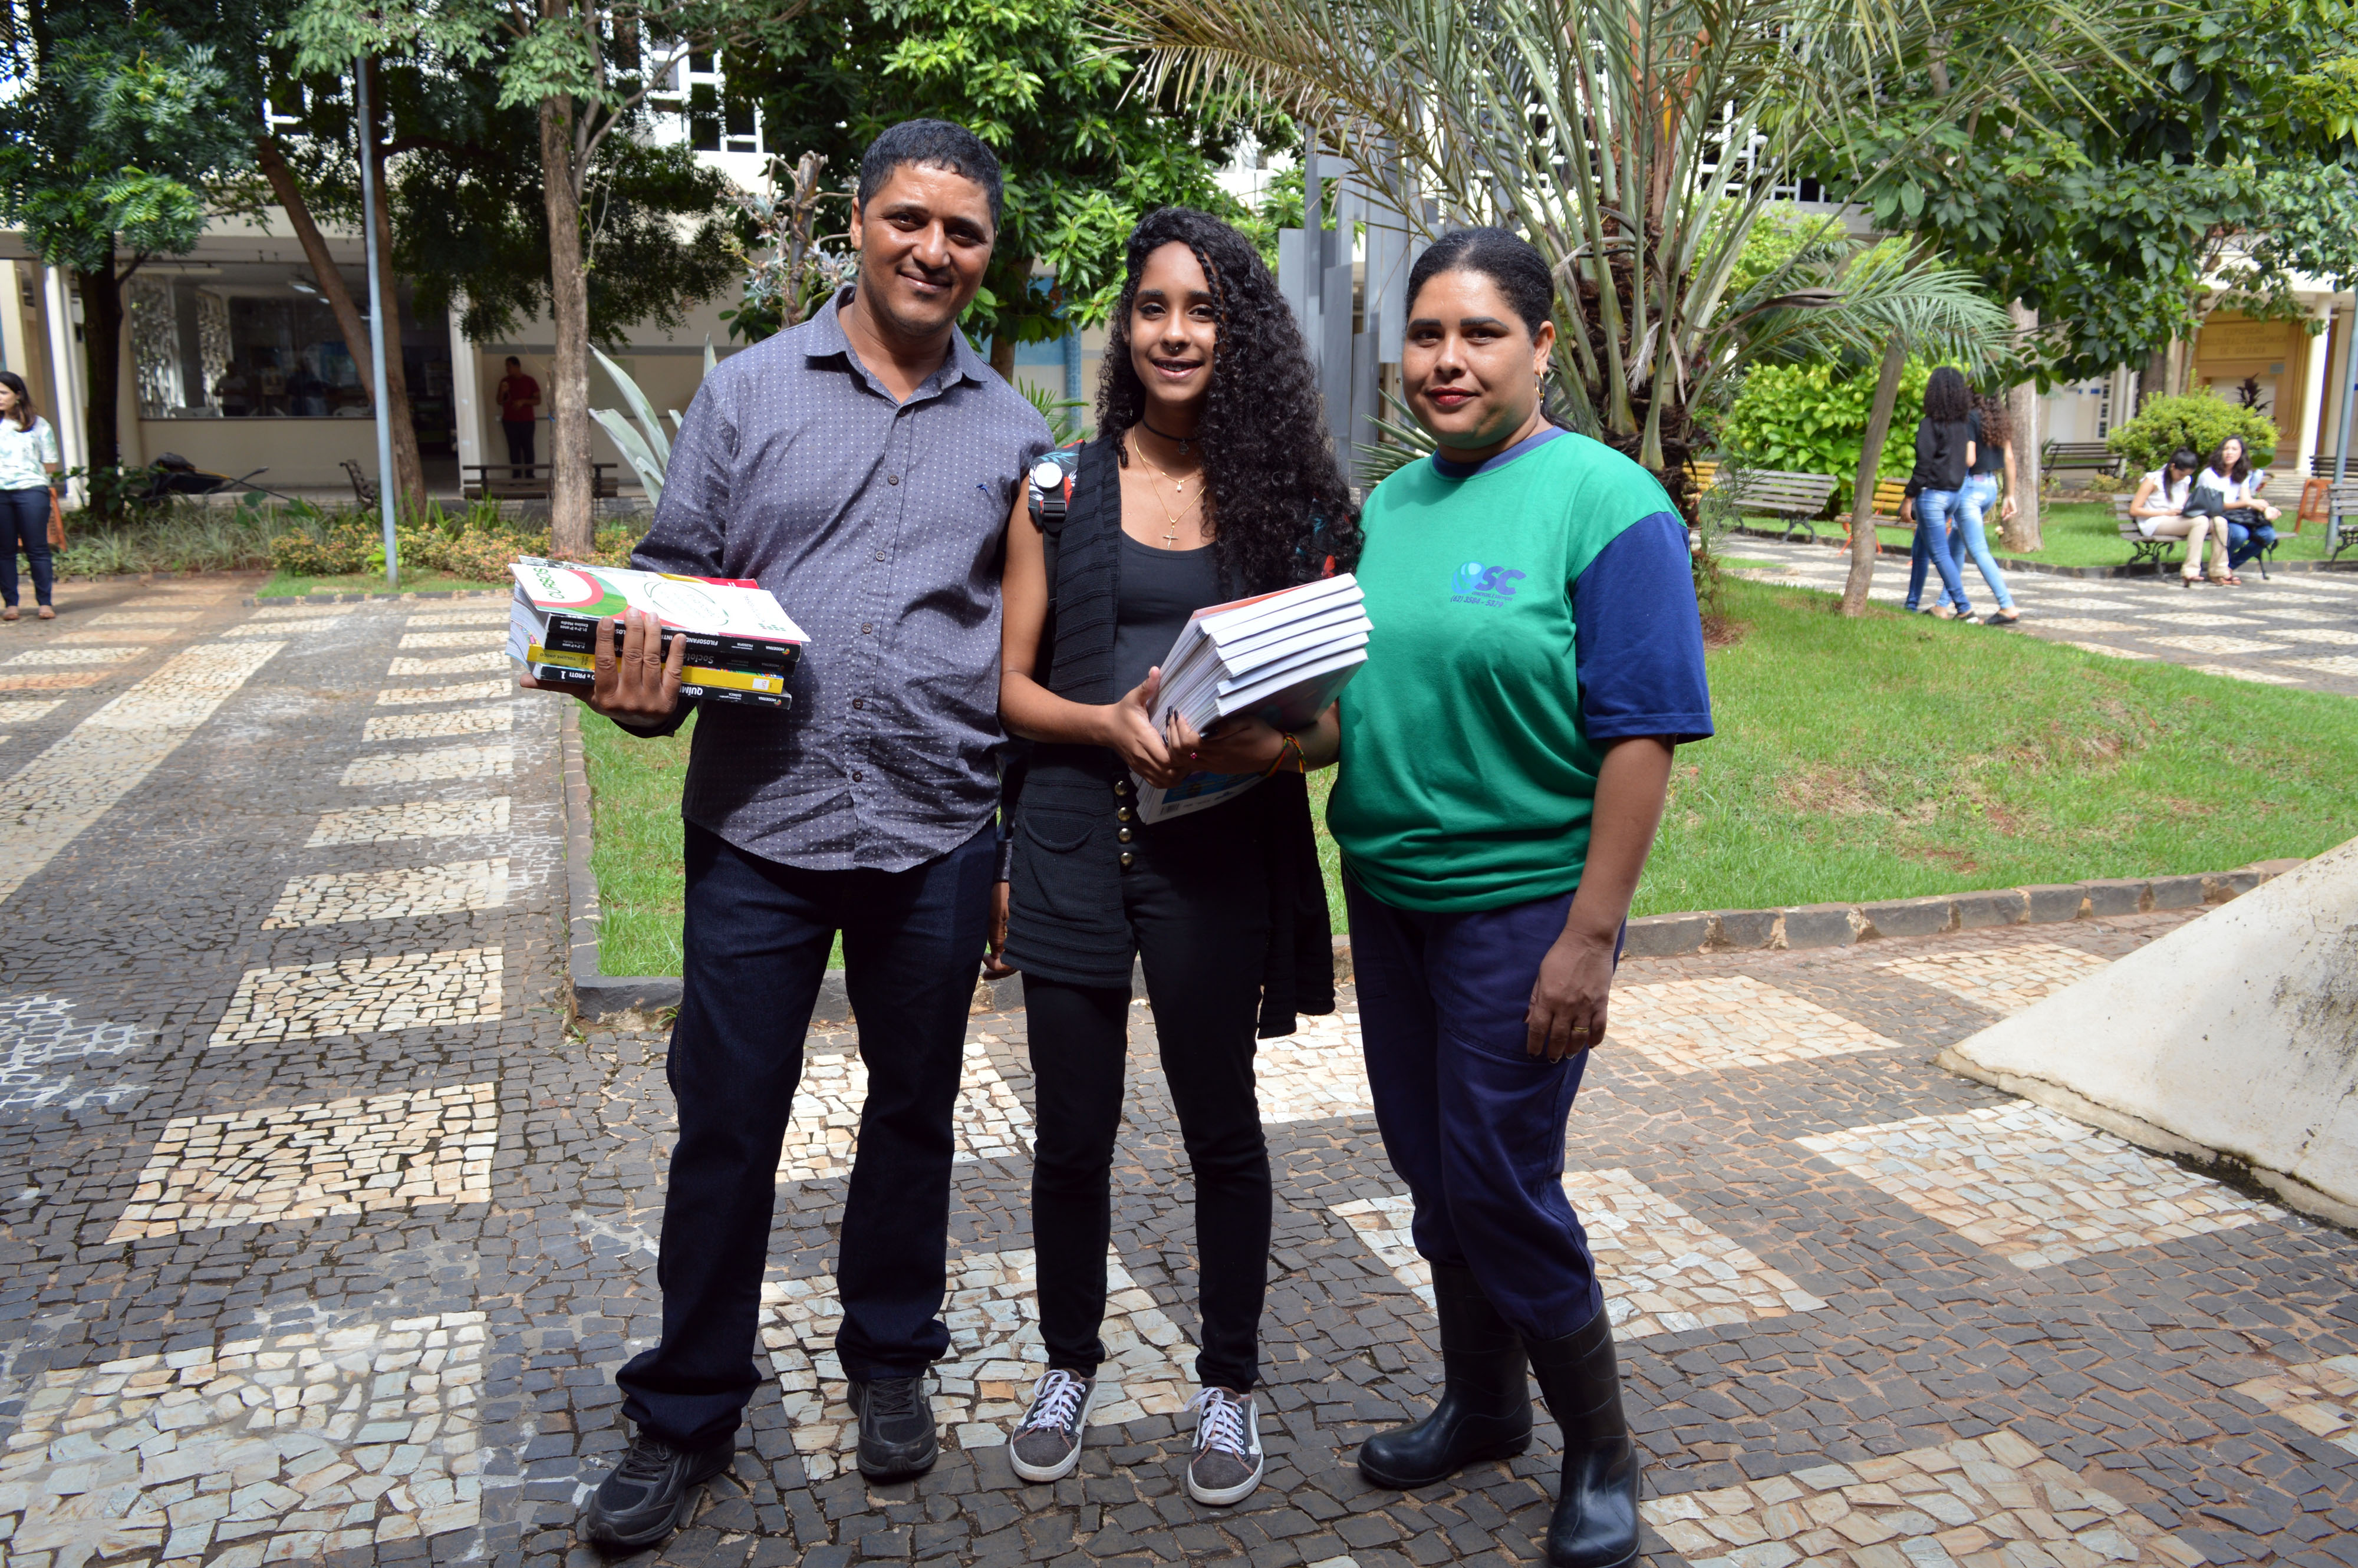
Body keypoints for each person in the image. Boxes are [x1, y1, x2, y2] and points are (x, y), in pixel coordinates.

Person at [538, 120, 1051, 1554]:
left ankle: (890, 1355)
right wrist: (639, 685)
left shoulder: (1014, 434)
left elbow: (1022, 652)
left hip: (936, 828)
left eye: (961, 232)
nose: (932, 250)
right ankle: (687, 1407)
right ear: (860, 227)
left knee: (913, 1110)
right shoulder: (749, 392)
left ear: (985, 254)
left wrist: (1010, 848)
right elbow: (672, 581)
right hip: (760, 828)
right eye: (908, 220)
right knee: (727, 1122)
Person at [1327, 228, 1712, 1568]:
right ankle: (1483, 1407)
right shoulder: (1390, 509)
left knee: (1499, 1178)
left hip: (1523, 909)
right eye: (1427, 335)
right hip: (1390, 900)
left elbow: (1642, 732)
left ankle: (1601, 1454)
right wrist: (1234, 727)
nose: (1448, 361)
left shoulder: (1607, 504)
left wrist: (1588, 940)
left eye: (1480, 334)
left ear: (1540, 347)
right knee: (1434, 1169)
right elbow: (1357, 703)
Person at [994, 207, 1355, 1506]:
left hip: (1216, 853)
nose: (1176, 332)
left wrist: (1267, 751)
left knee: (1222, 1130)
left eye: (1203, 310)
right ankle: (1067, 1365)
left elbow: (1327, 723)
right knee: (1070, 1136)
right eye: (1153, 307)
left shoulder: (1295, 507)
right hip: (1071, 841)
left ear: (1239, 334)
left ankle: (1228, 1385)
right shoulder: (1057, 490)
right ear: (1126, 329)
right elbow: (1008, 689)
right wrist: (1107, 725)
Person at [1933, 392, 2021, 625]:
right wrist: (2009, 495)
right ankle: (1942, 605)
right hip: (1989, 486)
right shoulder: (1999, 420)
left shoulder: (1969, 417)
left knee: (1979, 550)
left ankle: (2007, 606)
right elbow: (2009, 458)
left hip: (1970, 489)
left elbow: (1969, 459)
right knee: (1956, 545)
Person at [1901, 367, 1977, 620]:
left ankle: (1965, 609)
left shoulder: (1929, 425)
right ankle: (1911, 604)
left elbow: (1923, 466)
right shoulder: (1962, 426)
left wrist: (1908, 498)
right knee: (1920, 550)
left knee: (1939, 554)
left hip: (1932, 497)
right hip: (1953, 496)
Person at [0, 371, 61, 622]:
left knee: (37, 548)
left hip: (32, 490)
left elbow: (51, 464)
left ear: (18, 395)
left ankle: (45, 603)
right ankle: (11, 605)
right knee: (4, 550)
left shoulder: (39, 425)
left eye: (3, 392)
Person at [2129, 448, 2228, 586]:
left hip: (2176, 520)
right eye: (2181, 474)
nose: (2183, 478)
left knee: (2220, 522)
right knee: (2200, 522)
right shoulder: (2153, 480)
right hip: (2155, 522)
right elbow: (2134, 510)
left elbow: (2184, 503)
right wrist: (2165, 513)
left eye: (2187, 475)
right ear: (2172, 467)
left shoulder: (2185, 481)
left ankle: (2220, 571)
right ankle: (2190, 571)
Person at [2196, 436, 2280, 582]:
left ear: (2241, 453)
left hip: (2237, 516)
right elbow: (2217, 505)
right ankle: (2219, 568)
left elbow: (2245, 500)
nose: (2230, 452)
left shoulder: (2243, 474)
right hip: (2216, 516)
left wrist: (2265, 509)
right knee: (2239, 534)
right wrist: (2249, 503)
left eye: (2234, 449)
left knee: (2267, 534)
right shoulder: (2209, 474)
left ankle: (2228, 567)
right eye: (2226, 449)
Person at [495, 355, 541, 478]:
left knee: (528, 448)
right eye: (506, 366)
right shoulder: (505, 382)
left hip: (527, 421)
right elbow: (499, 401)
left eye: (509, 366)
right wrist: (502, 391)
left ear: (517, 366)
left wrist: (523, 402)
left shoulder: (530, 381)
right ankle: (516, 475)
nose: (507, 369)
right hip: (510, 421)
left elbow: (538, 400)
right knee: (513, 449)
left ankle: (530, 475)